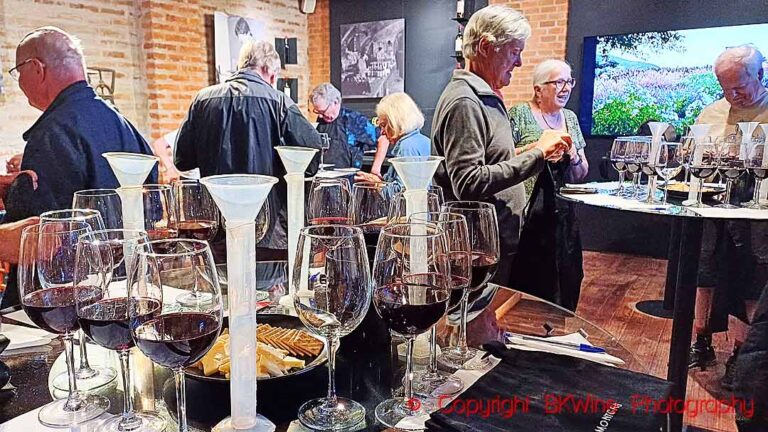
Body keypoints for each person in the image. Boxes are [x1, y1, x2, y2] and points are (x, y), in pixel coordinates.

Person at [431, 5, 571, 289]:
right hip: (476, 249)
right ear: (486, 47)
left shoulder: (478, 95)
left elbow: (486, 161)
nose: (519, 63)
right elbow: (468, 182)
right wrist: (538, 154)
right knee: (478, 315)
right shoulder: (466, 102)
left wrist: (527, 150)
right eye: (514, 52)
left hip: (489, 242)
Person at [174, 40, 321, 251]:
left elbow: (182, 160)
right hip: (269, 226)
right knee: (264, 272)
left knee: (222, 272)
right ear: (268, 70)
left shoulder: (203, 99)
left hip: (215, 223)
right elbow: (312, 153)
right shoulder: (279, 102)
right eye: (275, 76)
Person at [3, 26, 155, 223]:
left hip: (84, 244)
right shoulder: (122, 124)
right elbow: (153, 207)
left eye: (18, 72)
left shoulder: (51, 134)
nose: (19, 81)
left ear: (37, 68)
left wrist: (17, 192)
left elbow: (36, 233)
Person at [689, 45, 768, 391]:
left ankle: (741, 354)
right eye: (725, 88)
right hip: (714, 207)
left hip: (759, 215)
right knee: (704, 274)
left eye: (739, 87)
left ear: (760, 75)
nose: (732, 96)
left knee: (752, 282)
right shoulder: (712, 112)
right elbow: (693, 156)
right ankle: (700, 342)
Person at [507, 59, 588, 310]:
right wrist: (539, 149)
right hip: (526, 216)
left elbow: (581, 173)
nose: (566, 88)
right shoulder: (519, 114)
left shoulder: (570, 118)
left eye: (569, 81)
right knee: (528, 279)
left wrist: (573, 155)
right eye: (559, 82)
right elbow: (504, 160)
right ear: (538, 89)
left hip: (562, 217)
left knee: (565, 275)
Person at [357, 92, 430, 185]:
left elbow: (404, 190)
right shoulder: (424, 141)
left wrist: (377, 184)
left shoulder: (407, 147)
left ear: (396, 122)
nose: (382, 132)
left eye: (384, 125)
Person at [310, 82, 378, 169]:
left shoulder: (354, 119)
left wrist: (375, 169)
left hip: (348, 175)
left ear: (335, 102)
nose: (320, 116)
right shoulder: (322, 120)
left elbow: (382, 139)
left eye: (323, 112)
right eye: (318, 112)